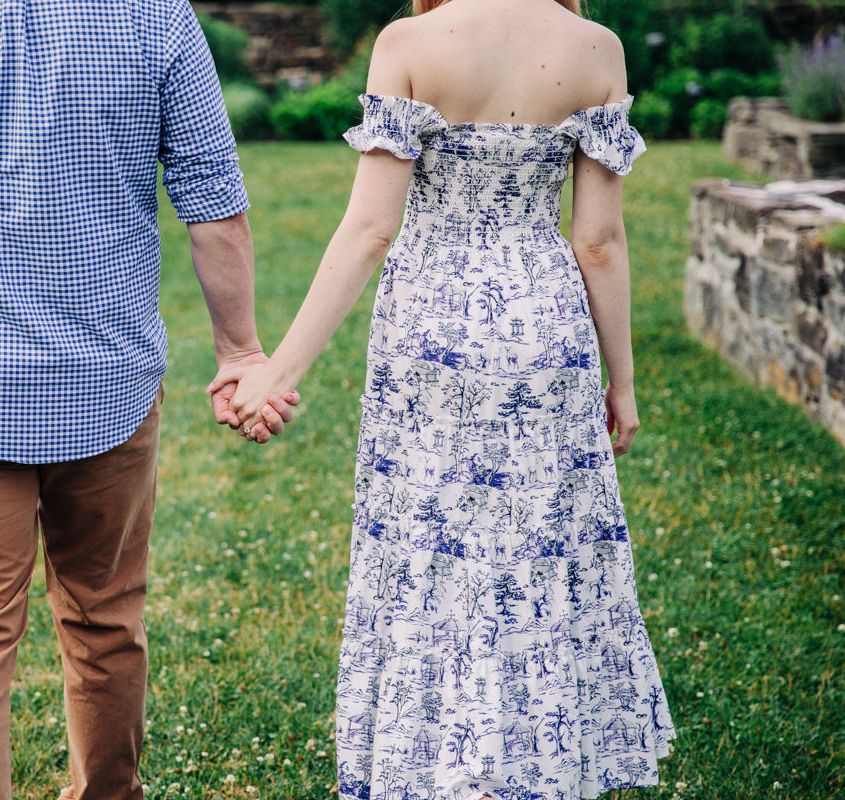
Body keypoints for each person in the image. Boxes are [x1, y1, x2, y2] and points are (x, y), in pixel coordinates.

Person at [0, 1, 296, 798]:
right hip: (107, 385)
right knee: (106, 623)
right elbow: (214, 199)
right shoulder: (153, 15)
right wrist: (239, 349)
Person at [210, 0, 677, 796]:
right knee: (538, 554)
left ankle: (433, 762)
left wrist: (277, 372)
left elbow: (368, 229)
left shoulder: (411, 43)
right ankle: (539, 763)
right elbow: (597, 241)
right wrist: (621, 383)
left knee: (431, 553)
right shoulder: (597, 49)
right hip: (544, 337)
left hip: (431, 336)